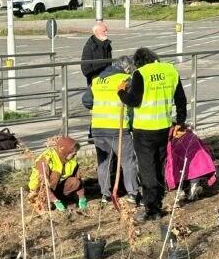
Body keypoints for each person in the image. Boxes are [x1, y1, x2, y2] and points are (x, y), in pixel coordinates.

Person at [118, 47, 187, 222]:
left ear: (138, 62)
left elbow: (134, 101)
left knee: (147, 168)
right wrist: (180, 122)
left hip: (144, 130)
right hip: (163, 127)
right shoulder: (170, 70)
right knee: (159, 165)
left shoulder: (141, 73)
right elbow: (181, 99)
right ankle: (158, 201)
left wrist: (121, 92)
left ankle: (151, 208)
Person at [82, 55, 139, 204]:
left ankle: (105, 194)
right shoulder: (125, 79)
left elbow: (87, 101)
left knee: (104, 162)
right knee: (128, 160)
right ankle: (133, 193)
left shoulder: (97, 80)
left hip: (98, 127)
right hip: (117, 127)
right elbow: (133, 100)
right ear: (127, 68)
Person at [28, 136, 87, 211]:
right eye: (74, 152)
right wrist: (55, 200)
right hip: (40, 190)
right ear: (66, 151)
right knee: (55, 175)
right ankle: (47, 201)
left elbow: (78, 179)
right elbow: (44, 184)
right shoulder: (46, 158)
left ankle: (62, 199)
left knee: (74, 182)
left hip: (56, 187)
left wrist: (82, 197)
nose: (75, 154)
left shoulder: (72, 160)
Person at [80, 21, 113, 85]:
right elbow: (85, 67)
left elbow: (109, 63)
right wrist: (94, 78)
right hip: (94, 81)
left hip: (106, 80)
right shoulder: (89, 46)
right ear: (96, 32)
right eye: (104, 31)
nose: (106, 33)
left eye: (106, 31)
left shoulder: (107, 44)